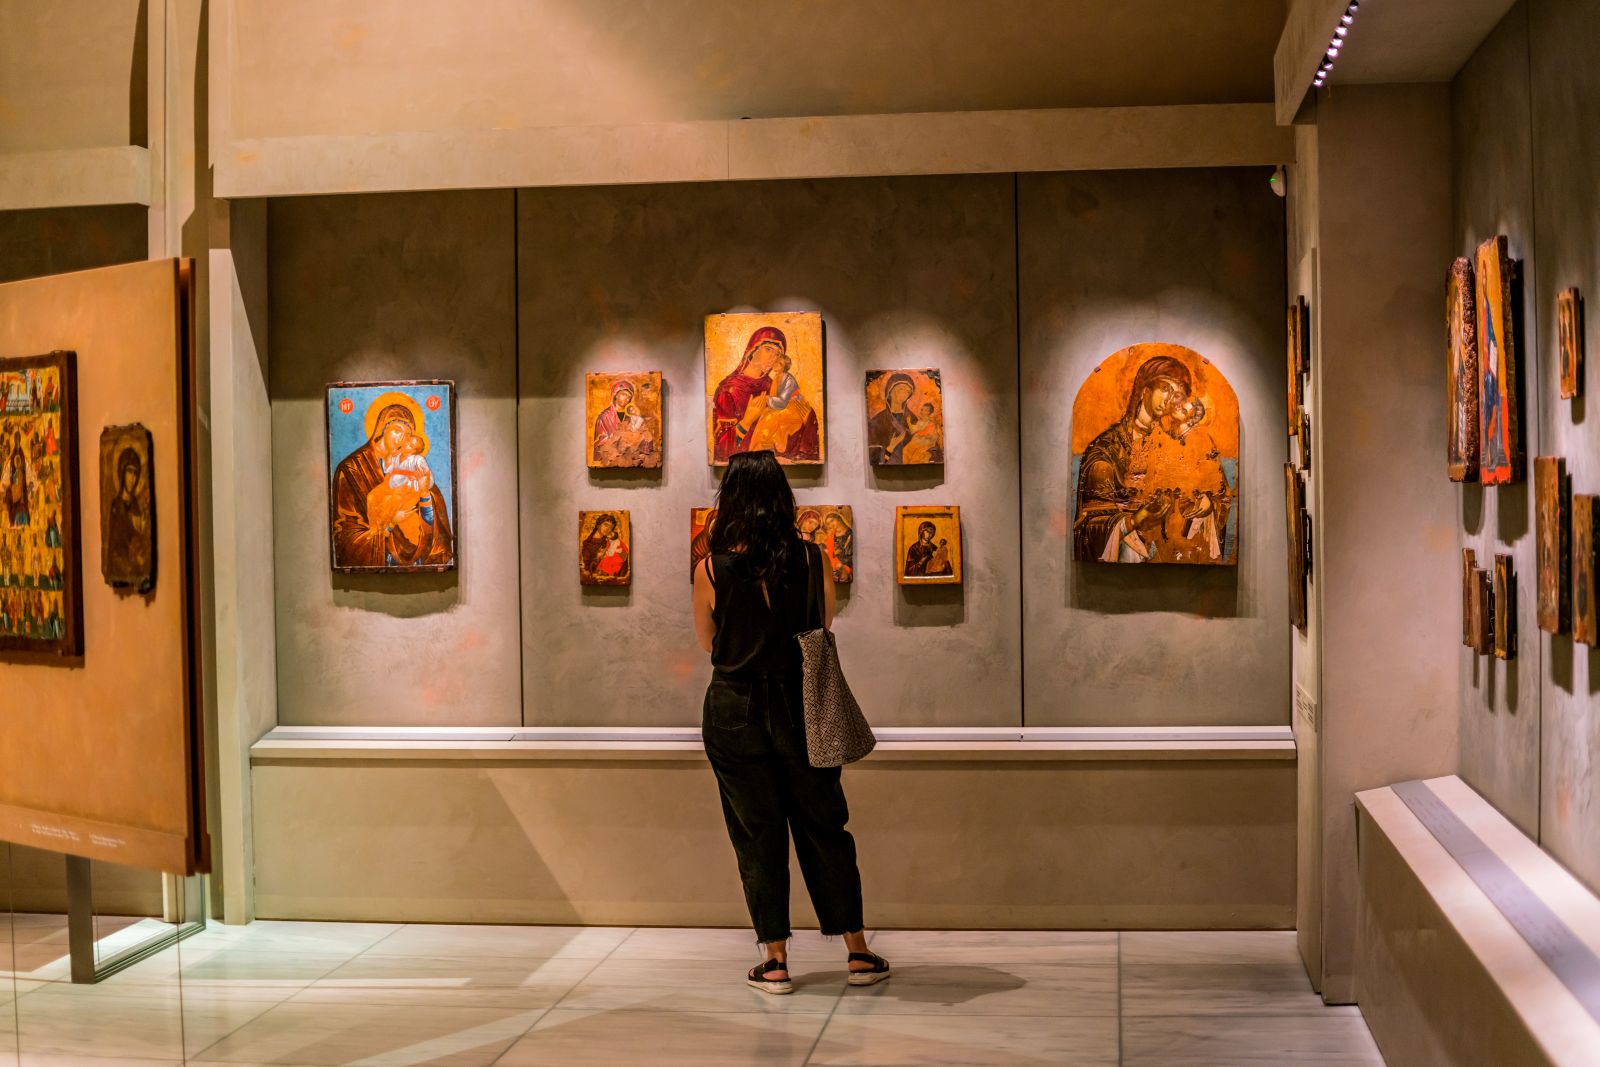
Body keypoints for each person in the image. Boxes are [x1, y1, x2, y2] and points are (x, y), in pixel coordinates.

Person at [692, 450, 889, 995]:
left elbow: (709, 642)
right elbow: (822, 624)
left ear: (730, 499)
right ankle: (857, 952)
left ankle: (775, 962)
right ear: (782, 497)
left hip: (733, 707)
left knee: (756, 833)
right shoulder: (812, 557)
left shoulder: (709, 568)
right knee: (824, 825)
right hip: (802, 705)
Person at [1072, 355, 1194, 563]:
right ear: (1145, 389)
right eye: (1164, 388)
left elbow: (1190, 492)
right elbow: (1088, 526)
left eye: (1176, 394)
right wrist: (1133, 521)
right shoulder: (1106, 450)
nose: (1169, 400)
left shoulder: (1172, 446)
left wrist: (1206, 504)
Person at [331, 396, 454, 569]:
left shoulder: (413, 463)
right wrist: (389, 524)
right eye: (397, 430)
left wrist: (425, 492)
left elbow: (434, 525)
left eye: (407, 435)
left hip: (411, 551)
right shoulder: (352, 469)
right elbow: (345, 536)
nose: (401, 439)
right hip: (378, 555)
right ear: (382, 428)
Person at [710, 327, 820, 463]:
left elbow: (791, 428)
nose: (772, 357)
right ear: (752, 350)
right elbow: (720, 450)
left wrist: (808, 417)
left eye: (778, 354)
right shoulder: (728, 390)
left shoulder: (773, 386)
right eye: (768, 349)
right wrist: (746, 422)